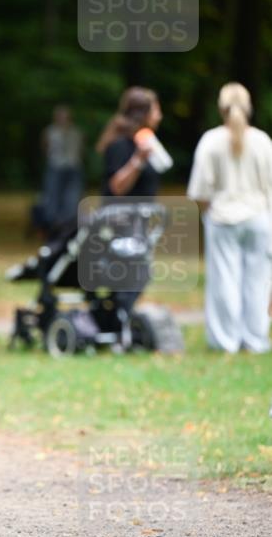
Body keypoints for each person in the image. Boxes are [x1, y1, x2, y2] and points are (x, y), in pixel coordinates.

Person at [187, 82, 272, 354]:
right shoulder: (262, 140)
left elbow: (200, 190)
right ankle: (255, 340)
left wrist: (208, 212)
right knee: (258, 281)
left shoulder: (211, 141)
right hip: (259, 217)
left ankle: (226, 340)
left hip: (223, 218)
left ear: (221, 108)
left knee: (225, 280)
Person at [96, 87, 173, 314]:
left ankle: (118, 317)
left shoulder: (147, 142)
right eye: (156, 110)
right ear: (143, 113)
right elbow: (116, 187)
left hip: (140, 222)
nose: (159, 115)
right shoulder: (120, 145)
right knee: (132, 273)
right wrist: (138, 160)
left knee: (139, 273)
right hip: (119, 222)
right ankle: (118, 318)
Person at [39, 105, 83, 230]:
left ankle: (68, 221)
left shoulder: (76, 132)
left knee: (72, 195)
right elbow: (45, 148)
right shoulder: (49, 131)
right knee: (52, 195)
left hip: (73, 166)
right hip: (55, 166)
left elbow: (80, 149)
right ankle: (52, 222)